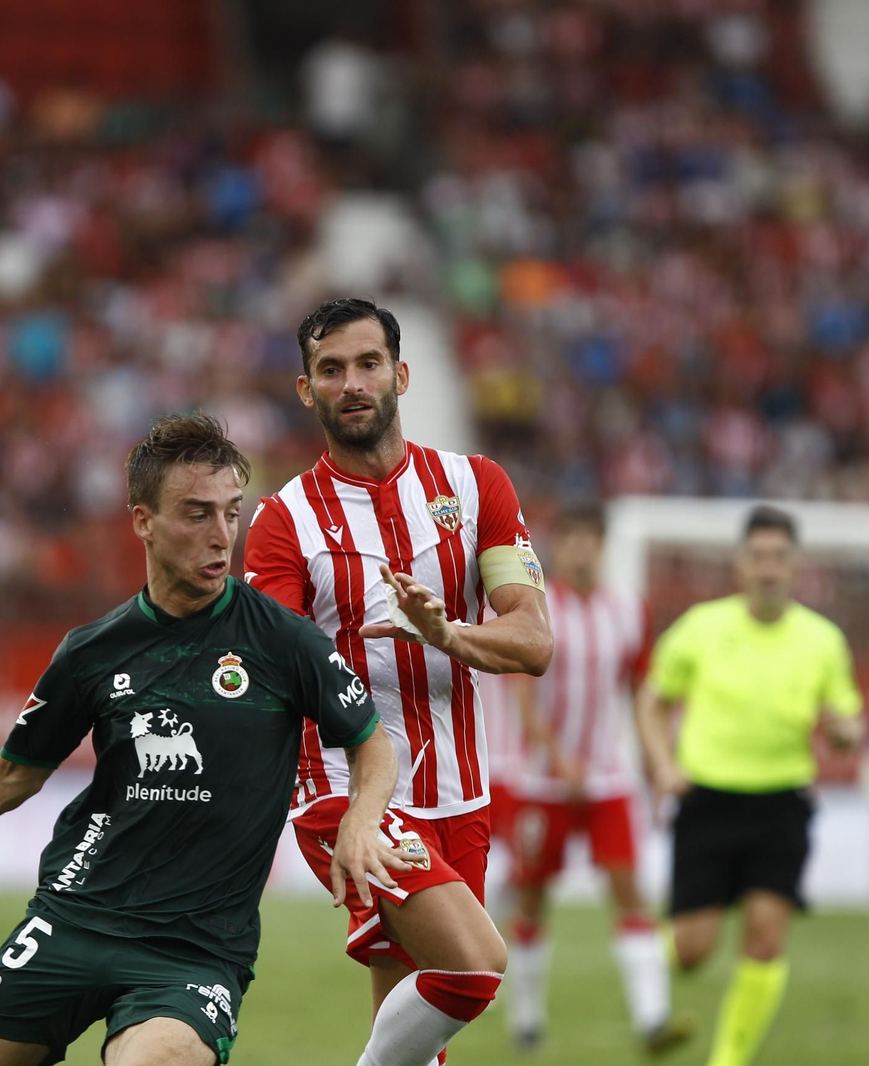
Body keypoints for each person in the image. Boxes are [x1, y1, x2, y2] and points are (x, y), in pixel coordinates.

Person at [0, 413, 417, 1066]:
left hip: (194, 951)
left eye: (231, 513)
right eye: (197, 514)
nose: (222, 536)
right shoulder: (92, 651)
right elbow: (12, 773)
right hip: (74, 919)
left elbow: (372, 744)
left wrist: (363, 822)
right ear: (143, 521)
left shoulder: (283, 641)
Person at [244, 298, 554, 1066]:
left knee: (423, 1025)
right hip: (346, 790)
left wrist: (447, 633)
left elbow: (534, 641)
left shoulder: (477, 487)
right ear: (305, 390)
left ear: (401, 375)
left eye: (367, 363)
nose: (352, 383)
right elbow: (271, 676)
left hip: (461, 791)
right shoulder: (284, 521)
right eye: (331, 369)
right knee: (475, 967)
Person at [636, 505, 865, 1066]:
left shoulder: (822, 640)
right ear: (740, 565)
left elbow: (849, 723)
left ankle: (728, 1060)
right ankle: (643, 966)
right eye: (759, 556)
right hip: (707, 799)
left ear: (795, 566)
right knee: (692, 950)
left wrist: (844, 731)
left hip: (782, 802)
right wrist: (663, 765)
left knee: (765, 935)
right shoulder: (701, 627)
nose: (769, 568)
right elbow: (652, 699)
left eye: (779, 558)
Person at [485, 503, 691, 1054]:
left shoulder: (628, 612)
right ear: (559, 546)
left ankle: (653, 1018)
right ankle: (526, 1020)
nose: (580, 549)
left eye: (589, 540)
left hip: (608, 779)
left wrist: (655, 766)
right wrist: (556, 755)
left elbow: (641, 695)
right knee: (532, 898)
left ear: (602, 547)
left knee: (630, 891)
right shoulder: (536, 607)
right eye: (571, 539)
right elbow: (522, 692)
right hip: (542, 781)